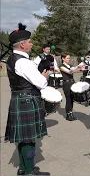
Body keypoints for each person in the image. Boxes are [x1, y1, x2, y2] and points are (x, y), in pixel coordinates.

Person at [5, 23, 50, 175]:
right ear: (22, 45)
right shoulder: (23, 62)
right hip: (28, 100)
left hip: (19, 99)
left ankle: (24, 168)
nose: (31, 43)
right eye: (29, 41)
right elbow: (42, 83)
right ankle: (29, 171)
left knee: (23, 139)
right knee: (29, 140)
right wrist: (44, 77)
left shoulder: (12, 59)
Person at [60, 53, 84, 121]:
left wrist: (80, 68)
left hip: (72, 82)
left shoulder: (69, 65)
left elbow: (73, 70)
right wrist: (77, 66)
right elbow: (69, 72)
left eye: (69, 58)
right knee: (68, 99)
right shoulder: (61, 66)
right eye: (67, 58)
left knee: (72, 99)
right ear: (63, 58)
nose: (69, 59)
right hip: (66, 83)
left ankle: (71, 113)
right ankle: (68, 114)